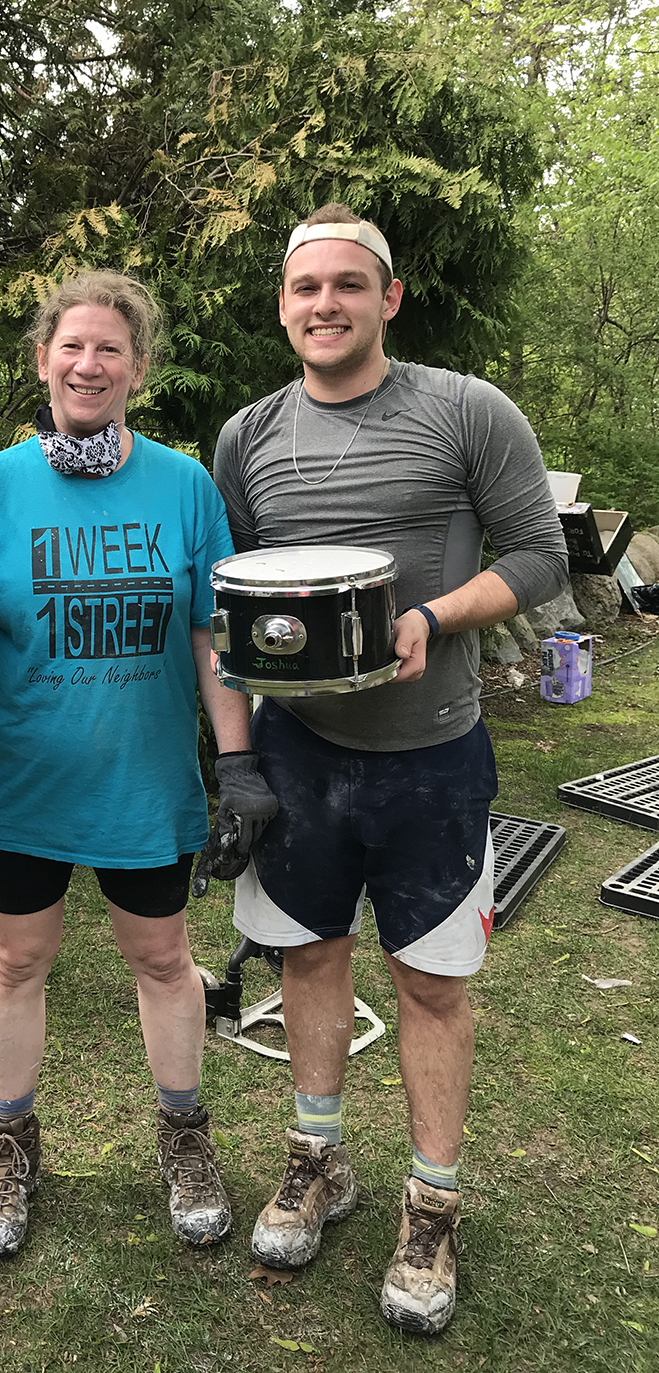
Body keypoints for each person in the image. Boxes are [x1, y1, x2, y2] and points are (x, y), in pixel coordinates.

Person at [213, 204, 568, 1335]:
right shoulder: (247, 436)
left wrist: (436, 615)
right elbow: (230, 597)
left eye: (348, 285)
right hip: (299, 752)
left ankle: (433, 1207)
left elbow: (540, 552)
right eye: (305, 287)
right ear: (283, 305)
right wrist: (234, 759)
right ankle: (319, 1156)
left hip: (433, 755)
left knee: (430, 983)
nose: (325, 304)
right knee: (308, 956)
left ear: (389, 298)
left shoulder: (468, 411)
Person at [0, 270, 275, 1259]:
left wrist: (237, 762)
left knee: (163, 961)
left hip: (144, 781)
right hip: (24, 784)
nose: (88, 363)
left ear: (138, 369)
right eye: (70, 346)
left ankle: (184, 1137)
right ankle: (10, 1139)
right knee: (19, 959)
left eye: (109, 349)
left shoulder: (183, 485)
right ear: (42, 361)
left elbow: (214, 635)